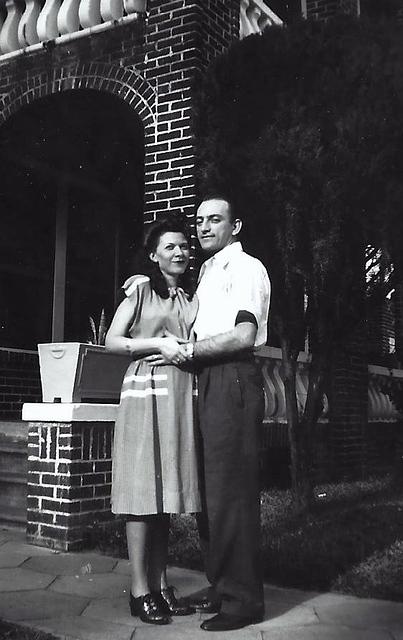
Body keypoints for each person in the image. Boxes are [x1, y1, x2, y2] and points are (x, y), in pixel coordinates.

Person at [105, 215, 200, 626]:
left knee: (165, 494)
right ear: (153, 255)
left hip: (179, 398)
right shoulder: (141, 290)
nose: (179, 252)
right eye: (170, 247)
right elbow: (112, 340)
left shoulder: (190, 297)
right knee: (143, 492)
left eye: (183, 246)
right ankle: (139, 588)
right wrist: (157, 343)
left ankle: (161, 584)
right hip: (146, 393)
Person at [189, 196, 271, 632]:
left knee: (231, 491)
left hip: (231, 378)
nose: (203, 227)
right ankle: (221, 586)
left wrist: (190, 352)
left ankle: (244, 601)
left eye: (214, 220)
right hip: (204, 378)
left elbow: (244, 334)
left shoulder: (245, 268)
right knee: (207, 491)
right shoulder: (208, 271)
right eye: (199, 220)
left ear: (235, 226)